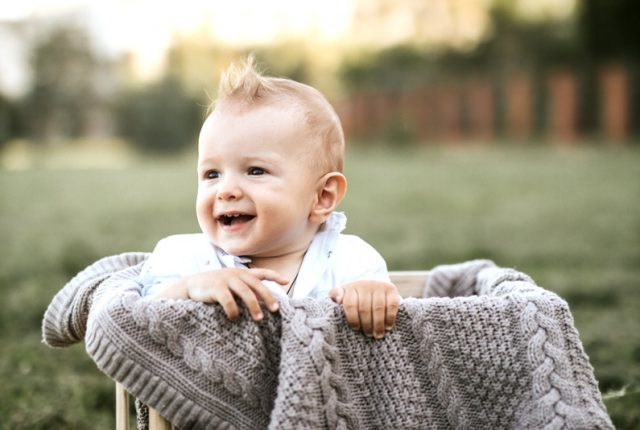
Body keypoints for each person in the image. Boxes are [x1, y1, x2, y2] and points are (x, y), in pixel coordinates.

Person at [139, 57, 399, 339]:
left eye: (255, 171)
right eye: (212, 174)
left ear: (322, 197)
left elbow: (385, 332)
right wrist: (189, 289)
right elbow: (139, 325)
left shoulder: (352, 261)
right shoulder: (183, 257)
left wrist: (373, 299)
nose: (226, 190)